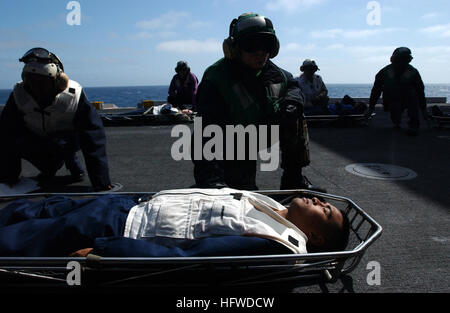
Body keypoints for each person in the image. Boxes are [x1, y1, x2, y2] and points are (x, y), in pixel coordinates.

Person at [0, 188, 350, 257]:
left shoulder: (275, 241)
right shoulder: (271, 206)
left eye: (326, 210)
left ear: (315, 237)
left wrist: (108, 252)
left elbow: (195, 256)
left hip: (117, 230)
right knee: (38, 207)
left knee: (25, 237)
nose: (320, 201)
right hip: (129, 206)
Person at [193, 13, 325, 192]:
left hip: (261, 131)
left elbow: (293, 85)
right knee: (240, 194)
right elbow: (206, 132)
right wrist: (210, 178)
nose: (260, 52)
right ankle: (213, 180)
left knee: (296, 117)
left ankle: (293, 179)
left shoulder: (276, 73)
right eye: (251, 45)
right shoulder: (216, 78)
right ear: (234, 47)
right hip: (232, 139)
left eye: (266, 45)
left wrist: (292, 102)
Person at [0, 47, 112, 191]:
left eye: (42, 82)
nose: (37, 88)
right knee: (16, 142)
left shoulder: (73, 95)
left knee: (67, 145)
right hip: (37, 137)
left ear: (56, 81)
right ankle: (49, 168)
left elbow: (93, 138)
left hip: (68, 139)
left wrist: (101, 181)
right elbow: (6, 134)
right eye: (32, 81)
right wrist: (9, 177)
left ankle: (73, 165)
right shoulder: (19, 94)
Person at [367, 47, 428, 136]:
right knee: (395, 117)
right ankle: (397, 122)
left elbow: (420, 91)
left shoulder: (412, 72)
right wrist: (371, 107)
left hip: (408, 98)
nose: (401, 63)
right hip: (391, 98)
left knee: (413, 96)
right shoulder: (384, 72)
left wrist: (423, 109)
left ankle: (413, 125)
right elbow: (376, 90)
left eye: (404, 59)